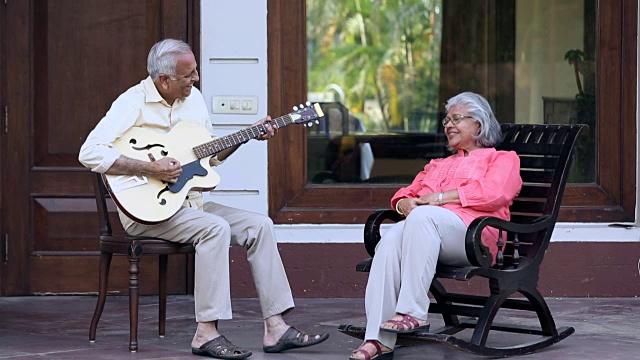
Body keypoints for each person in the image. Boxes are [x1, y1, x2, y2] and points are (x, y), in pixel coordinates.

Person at [79, 39, 329, 360]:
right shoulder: (133, 102)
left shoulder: (193, 100)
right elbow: (90, 152)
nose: (196, 79)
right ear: (164, 80)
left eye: (195, 71)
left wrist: (248, 134)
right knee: (215, 229)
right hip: (147, 212)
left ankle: (275, 328)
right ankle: (205, 333)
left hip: (190, 203)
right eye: (188, 75)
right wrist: (149, 166)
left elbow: (210, 156)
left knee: (259, 225)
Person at [349, 92, 523, 360]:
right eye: (446, 120)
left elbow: (495, 193)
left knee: (422, 217)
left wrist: (439, 199)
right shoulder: (438, 165)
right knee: (392, 238)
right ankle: (377, 339)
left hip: (473, 239)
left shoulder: (501, 159)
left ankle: (412, 312)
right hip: (428, 236)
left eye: (456, 119)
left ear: (478, 124)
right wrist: (402, 205)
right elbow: (406, 192)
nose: (448, 125)